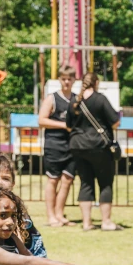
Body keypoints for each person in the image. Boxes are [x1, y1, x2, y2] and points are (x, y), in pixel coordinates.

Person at [66, 71, 121, 231]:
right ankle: (106, 222)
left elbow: (69, 126)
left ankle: (86, 223)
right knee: (105, 183)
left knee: (85, 183)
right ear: (96, 83)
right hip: (99, 147)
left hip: (77, 146)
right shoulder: (100, 99)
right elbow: (115, 122)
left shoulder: (74, 101)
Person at [38, 66, 77, 227]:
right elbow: (42, 120)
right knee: (53, 180)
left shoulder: (77, 99)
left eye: (69, 79)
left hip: (72, 146)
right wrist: (64, 125)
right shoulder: (52, 98)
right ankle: (51, 216)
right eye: (64, 79)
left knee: (67, 180)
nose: (67, 82)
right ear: (59, 80)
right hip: (54, 145)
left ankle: (60, 214)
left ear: (74, 80)